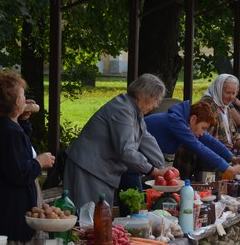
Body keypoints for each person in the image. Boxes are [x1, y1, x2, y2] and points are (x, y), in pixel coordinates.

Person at [63, 74, 166, 209]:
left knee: (100, 218)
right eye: (155, 100)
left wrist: (163, 169)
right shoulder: (123, 109)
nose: (155, 105)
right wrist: (152, 170)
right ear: (142, 95)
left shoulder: (135, 112)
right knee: (88, 219)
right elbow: (126, 151)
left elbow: (147, 140)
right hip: (89, 169)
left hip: (100, 172)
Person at [0, 72, 55, 245]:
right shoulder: (9, 131)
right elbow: (18, 172)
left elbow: (19, 147)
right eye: (22, 96)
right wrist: (40, 162)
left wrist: (23, 120)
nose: (25, 99)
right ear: (15, 102)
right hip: (10, 210)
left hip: (0, 205)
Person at [145, 100, 240, 179]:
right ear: (193, 119)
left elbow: (210, 141)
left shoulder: (185, 121)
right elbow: (199, 148)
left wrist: (232, 157)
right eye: (203, 128)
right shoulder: (176, 121)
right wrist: (229, 169)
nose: (202, 133)